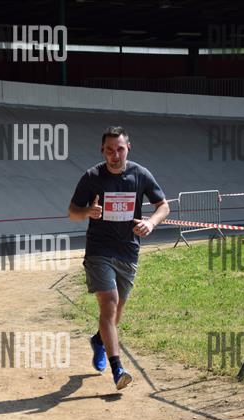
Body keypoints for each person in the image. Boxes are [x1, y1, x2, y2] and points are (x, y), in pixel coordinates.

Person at [68, 126, 169, 390]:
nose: (115, 155)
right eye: (110, 150)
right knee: (109, 303)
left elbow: (163, 206)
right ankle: (118, 369)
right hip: (99, 250)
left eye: (120, 149)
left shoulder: (140, 174)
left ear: (128, 148)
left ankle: (98, 340)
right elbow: (72, 211)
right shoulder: (92, 177)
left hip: (128, 251)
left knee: (116, 312)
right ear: (102, 151)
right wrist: (88, 212)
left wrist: (151, 223)